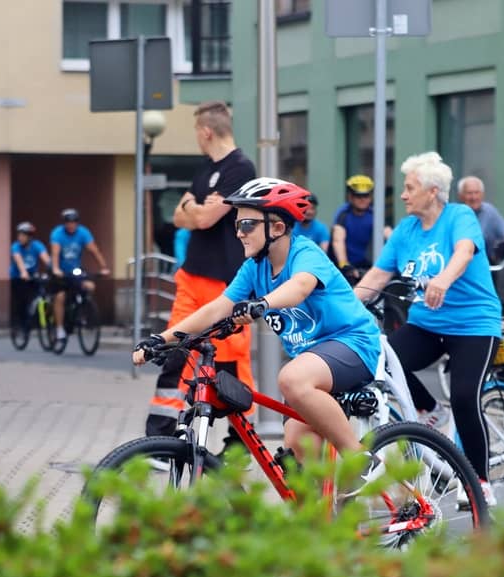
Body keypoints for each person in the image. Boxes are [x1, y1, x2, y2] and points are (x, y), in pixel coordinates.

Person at [134, 178, 380, 462]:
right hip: (311, 361)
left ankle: (361, 460)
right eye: (237, 225)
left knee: (291, 379)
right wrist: (161, 340)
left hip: (352, 345)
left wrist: (262, 303)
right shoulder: (253, 268)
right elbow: (216, 309)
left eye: (247, 225)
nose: (239, 233)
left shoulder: (305, 253)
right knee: (299, 452)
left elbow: (300, 287)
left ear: (277, 228)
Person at [355, 152, 503, 487]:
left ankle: (480, 483)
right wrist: (340, 308)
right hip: (427, 324)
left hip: (474, 324)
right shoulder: (406, 230)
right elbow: (377, 276)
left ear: (432, 191)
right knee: (380, 360)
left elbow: (464, 251)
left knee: (464, 397)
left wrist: (443, 280)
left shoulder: (459, 216)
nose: (403, 195)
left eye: (410, 188)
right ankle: (430, 410)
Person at [144, 100, 257, 437]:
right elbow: (180, 217)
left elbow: (205, 218)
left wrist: (194, 209)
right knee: (174, 350)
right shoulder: (206, 169)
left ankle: (240, 440)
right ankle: (160, 436)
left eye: (196, 131)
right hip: (192, 278)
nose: (196, 137)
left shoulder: (240, 168)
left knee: (229, 362)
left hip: (225, 284)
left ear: (206, 131)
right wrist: (195, 209)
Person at [49, 208, 109, 342]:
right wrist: (56, 269)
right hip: (60, 270)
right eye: (68, 222)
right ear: (64, 223)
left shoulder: (83, 232)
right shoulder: (58, 233)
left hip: (74, 270)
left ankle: (82, 309)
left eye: (74, 222)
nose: (71, 225)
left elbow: (94, 250)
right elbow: (55, 253)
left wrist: (103, 267)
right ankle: (59, 329)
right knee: (60, 296)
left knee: (90, 286)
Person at [456, 175, 504, 272]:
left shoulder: (489, 212)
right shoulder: (454, 213)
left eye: (477, 192)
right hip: (457, 266)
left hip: (483, 266)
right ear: (460, 195)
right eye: (469, 193)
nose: (474, 197)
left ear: (482, 194)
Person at [330, 174, 391, 283]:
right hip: (342, 265)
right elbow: (338, 240)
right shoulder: (344, 213)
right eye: (358, 196)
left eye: (366, 196)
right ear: (350, 196)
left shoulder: (374, 214)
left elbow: (389, 234)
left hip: (363, 263)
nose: (362, 199)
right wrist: (344, 264)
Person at [10, 221, 50, 330]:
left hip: (33, 275)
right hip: (18, 276)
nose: (20, 237)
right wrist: (23, 272)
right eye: (19, 235)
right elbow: (18, 260)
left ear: (29, 237)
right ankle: (22, 325)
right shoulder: (16, 246)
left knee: (43, 293)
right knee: (22, 300)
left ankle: (42, 318)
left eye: (23, 235)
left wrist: (52, 269)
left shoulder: (37, 245)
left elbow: (46, 259)